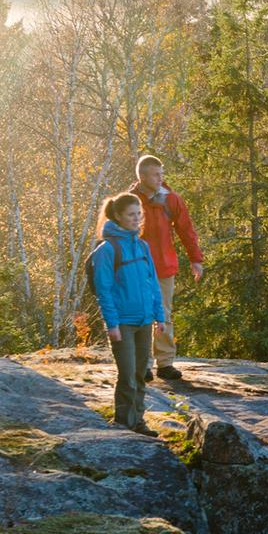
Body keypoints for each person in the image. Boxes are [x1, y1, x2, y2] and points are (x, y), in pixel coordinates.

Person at [88, 192, 169, 435]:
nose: (137, 219)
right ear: (118, 217)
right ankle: (124, 424)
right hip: (122, 323)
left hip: (145, 321)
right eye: (131, 215)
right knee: (127, 376)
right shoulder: (107, 250)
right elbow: (104, 290)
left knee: (141, 374)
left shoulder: (142, 246)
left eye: (139, 214)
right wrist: (111, 324)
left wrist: (159, 316)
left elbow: (152, 283)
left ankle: (139, 422)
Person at [127, 154, 204, 382]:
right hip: (136, 268)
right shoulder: (129, 200)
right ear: (142, 176)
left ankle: (165, 363)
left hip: (163, 266)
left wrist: (195, 259)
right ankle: (142, 365)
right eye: (155, 174)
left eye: (162, 174)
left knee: (164, 314)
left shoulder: (171, 200)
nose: (160, 178)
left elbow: (186, 230)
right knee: (139, 315)